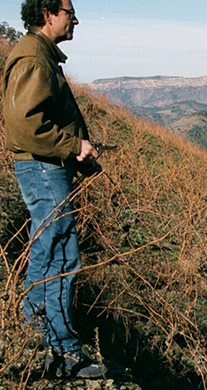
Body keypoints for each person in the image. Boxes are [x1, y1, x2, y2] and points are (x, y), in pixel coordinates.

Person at [2, 0, 106, 379]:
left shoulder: (39, 54)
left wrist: (79, 154)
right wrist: (73, 146)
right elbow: (24, 125)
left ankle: (35, 337)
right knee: (62, 253)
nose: (75, 18)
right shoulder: (33, 58)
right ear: (48, 14)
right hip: (43, 168)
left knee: (47, 251)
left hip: (43, 167)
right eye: (68, 11)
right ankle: (62, 351)